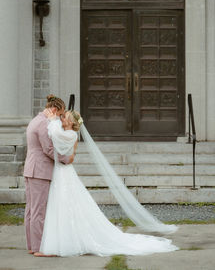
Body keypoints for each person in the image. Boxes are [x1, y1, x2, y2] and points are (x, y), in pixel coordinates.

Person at [38, 110, 178, 257]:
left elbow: (54, 135)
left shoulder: (71, 135)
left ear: (72, 123)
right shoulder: (64, 132)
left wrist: (51, 119)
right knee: (61, 205)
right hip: (61, 172)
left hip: (64, 173)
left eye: (65, 117)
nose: (62, 118)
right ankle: (61, 241)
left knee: (67, 203)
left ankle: (62, 244)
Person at [23, 95, 75, 257]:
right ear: (54, 110)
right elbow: (48, 150)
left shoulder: (35, 120)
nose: (60, 118)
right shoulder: (44, 124)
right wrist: (66, 159)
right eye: (60, 114)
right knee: (39, 211)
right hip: (40, 171)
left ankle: (32, 245)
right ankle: (39, 248)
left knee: (31, 210)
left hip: (31, 169)